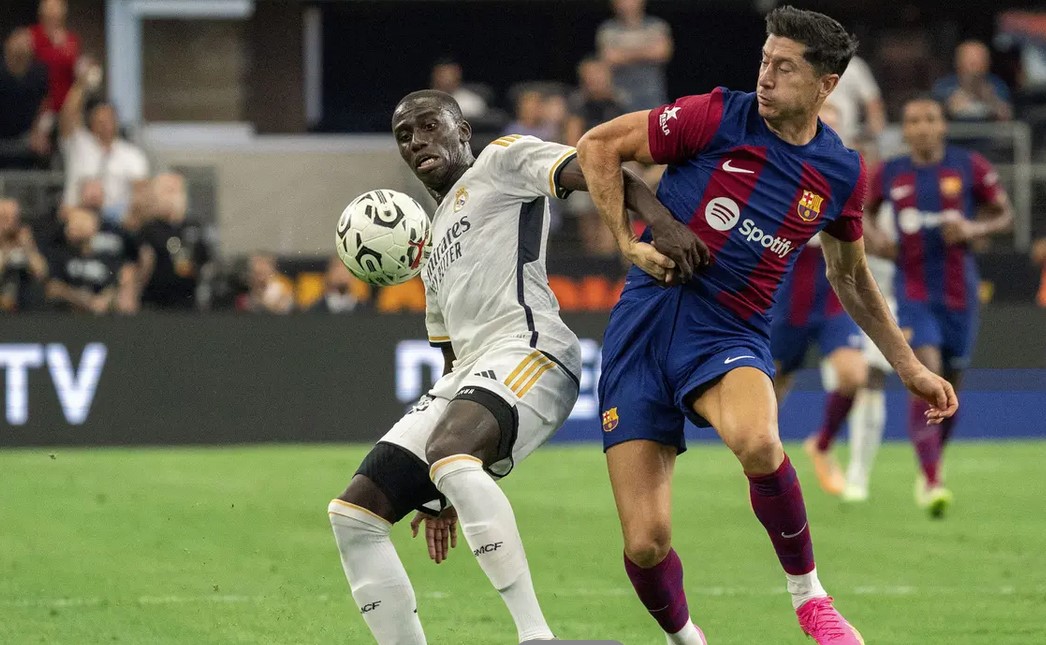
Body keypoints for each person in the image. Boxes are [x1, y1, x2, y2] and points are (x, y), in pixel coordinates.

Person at [576, 6, 957, 644]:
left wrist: (910, 366)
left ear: (826, 85)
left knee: (758, 440)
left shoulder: (839, 172)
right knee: (646, 543)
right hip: (642, 328)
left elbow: (852, 276)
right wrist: (628, 244)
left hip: (727, 330)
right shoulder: (719, 115)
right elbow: (598, 147)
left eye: (785, 67)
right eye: (764, 60)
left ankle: (810, 597)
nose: (766, 76)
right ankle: (685, 638)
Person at [327, 89, 676, 644]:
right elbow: (450, 357)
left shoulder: (501, 161)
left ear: (462, 131)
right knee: (354, 516)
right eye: (404, 136)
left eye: (428, 126)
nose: (417, 141)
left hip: (532, 352)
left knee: (450, 452)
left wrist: (658, 224)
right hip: (470, 374)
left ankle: (535, 636)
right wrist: (443, 493)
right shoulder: (433, 240)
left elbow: (599, 165)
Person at [863, 95, 1011, 516]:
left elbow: (1005, 215)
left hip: (961, 296)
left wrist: (973, 226)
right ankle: (931, 479)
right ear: (904, 130)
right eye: (913, 120)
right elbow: (863, 214)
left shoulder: (969, 166)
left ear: (942, 126)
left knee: (952, 386)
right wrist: (877, 240)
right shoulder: (891, 172)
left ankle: (932, 462)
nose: (923, 127)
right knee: (926, 375)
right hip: (914, 294)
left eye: (930, 119)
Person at [768, 101, 868, 497]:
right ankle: (765, 472)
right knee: (768, 394)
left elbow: (862, 231)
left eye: (835, 125)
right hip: (783, 298)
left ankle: (822, 444)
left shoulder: (847, 176)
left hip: (833, 300)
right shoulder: (781, 171)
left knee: (853, 376)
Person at [59, 58, 149, 216]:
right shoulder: (79, 144)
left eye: (109, 118)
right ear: (91, 121)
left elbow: (140, 193)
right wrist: (81, 85)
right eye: (100, 119)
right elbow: (67, 116)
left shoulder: (132, 155)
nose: (105, 123)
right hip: (77, 214)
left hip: (116, 220)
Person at [139, 173, 212, 310]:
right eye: (167, 192)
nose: (171, 198)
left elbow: (205, 259)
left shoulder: (194, 226)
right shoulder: (149, 229)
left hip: (189, 301)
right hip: (155, 302)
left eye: (176, 192)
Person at [597, 0, 673, 112]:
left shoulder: (657, 25)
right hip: (620, 95)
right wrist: (646, 52)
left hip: (652, 92)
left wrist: (623, 54)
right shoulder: (607, 29)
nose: (627, 4)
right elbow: (610, 58)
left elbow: (662, 53)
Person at [0, 28, 52, 169]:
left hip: (27, 136)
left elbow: (46, 106)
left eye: (26, 43)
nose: (21, 47)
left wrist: (39, 131)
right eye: (18, 42)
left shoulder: (39, 73)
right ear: (7, 45)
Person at [932, 40, 1013, 122]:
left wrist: (991, 100)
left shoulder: (997, 86)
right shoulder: (943, 87)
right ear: (958, 63)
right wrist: (949, 108)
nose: (975, 67)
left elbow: (1007, 117)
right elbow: (934, 117)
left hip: (988, 132)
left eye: (979, 60)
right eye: (970, 61)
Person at [30, 0, 80, 112]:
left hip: (66, 108)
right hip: (38, 105)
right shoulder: (32, 35)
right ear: (41, 11)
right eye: (49, 7)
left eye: (57, 7)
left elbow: (75, 72)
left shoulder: (72, 39)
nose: (53, 12)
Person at [0, 198, 48, 312]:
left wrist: (28, 248)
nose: (10, 223)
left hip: (26, 306)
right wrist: (6, 248)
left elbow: (42, 274)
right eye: (5, 218)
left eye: (14, 218)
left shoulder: (27, 242)